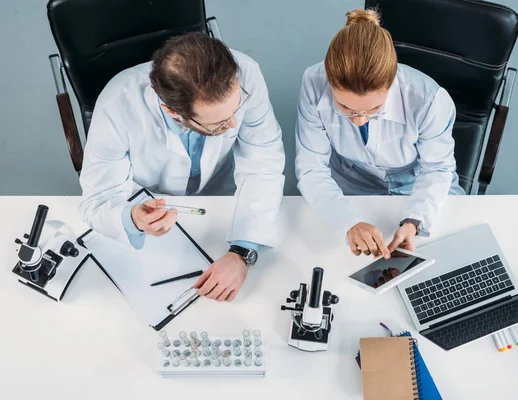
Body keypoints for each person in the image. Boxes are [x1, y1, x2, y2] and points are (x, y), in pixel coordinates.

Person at [79, 33, 285, 302]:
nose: (234, 126)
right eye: (219, 124)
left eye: (236, 110)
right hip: (156, 205)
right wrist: (133, 218)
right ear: (172, 112)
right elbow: (96, 201)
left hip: (222, 196)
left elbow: (264, 162)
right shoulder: (116, 106)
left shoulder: (246, 74)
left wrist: (242, 252)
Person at [295, 9, 464, 259]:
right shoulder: (313, 81)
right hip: (352, 182)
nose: (360, 119)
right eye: (345, 108)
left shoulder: (429, 100)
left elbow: (437, 169)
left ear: (391, 81)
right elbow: (311, 168)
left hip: (417, 182)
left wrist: (415, 220)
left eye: (374, 109)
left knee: (446, 256)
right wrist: (348, 223)